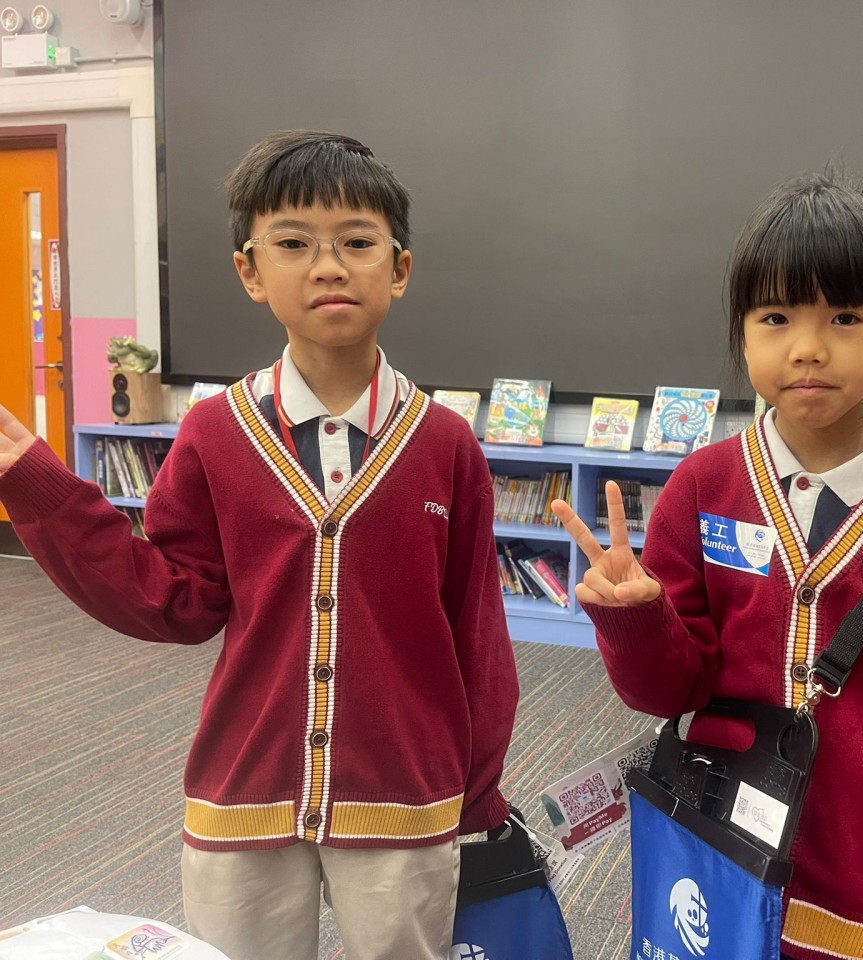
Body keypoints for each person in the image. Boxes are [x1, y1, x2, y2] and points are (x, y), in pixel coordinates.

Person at [0, 130, 519, 960]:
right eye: (293, 244)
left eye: (357, 242)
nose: (328, 266)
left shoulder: (444, 443)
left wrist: (478, 794)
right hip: (244, 790)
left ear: (399, 269)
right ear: (249, 271)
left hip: (407, 796)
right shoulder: (216, 432)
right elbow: (171, 597)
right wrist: (40, 491)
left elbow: (477, 634)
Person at [552, 172, 863, 960]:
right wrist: (634, 619)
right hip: (722, 879)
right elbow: (669, 691)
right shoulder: (702, 487)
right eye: (775, 318)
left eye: (845, 317)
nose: (807, 347)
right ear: (743, 334)